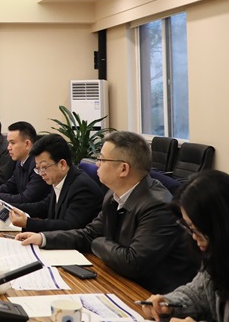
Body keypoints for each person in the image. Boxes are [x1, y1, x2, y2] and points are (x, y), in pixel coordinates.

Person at [16, 131, 197, 293]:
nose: (97, 164)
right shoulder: (113, 195)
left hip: (152, 296)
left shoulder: (157, 206)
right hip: (120, 280)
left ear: (123, 169)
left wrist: (98, 241)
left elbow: (133, 262)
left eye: (102, 160)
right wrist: (43, 238)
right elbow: (88, 233)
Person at [142, 170, 229, 322]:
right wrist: (169, 304)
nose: (194, 237)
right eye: (189, 228)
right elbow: (196, 294)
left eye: (196, 229)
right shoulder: (216, 255)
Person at [7, 134, 103, 232]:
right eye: (38, 168)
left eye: (44, 167)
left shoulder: (82, 187)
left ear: (62, 164)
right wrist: (10, 208)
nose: (41, 173)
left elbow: (69, 226)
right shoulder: (59, 178)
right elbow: (44, 206)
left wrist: (28, 223)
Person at [0, 121, 50, 204]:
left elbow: (26, 198)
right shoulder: (20, 161)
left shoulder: (38, 165)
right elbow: (11, 184)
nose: (8, 147)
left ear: (27, 144)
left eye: (12, 143)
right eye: (8, 143)